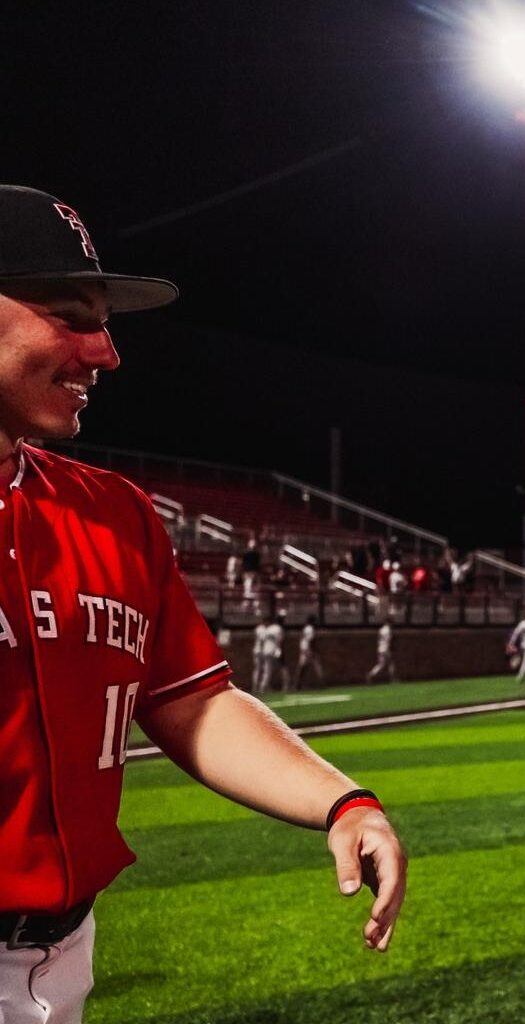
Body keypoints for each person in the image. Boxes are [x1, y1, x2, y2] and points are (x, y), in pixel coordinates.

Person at [0, 183, 406, 1023]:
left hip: (65, 953)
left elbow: (192, 700)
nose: (104, 351)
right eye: (71, 314)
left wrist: (342, 801)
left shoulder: (111, 511)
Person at [251, 612, 284, 695]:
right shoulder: (273, 628)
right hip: (266, 650)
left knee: (258, 669)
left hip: (258, 650)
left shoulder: (260, 628)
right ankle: (262, 688)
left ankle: (256, 687)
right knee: (267, 670)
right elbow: (279, 641)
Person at [294, 614, 324, 690]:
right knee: (316, 665)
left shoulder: (305, 628)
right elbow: (310, 640)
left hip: (304, 649)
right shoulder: (310, 628)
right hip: (308, 649)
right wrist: (312, 650)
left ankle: (298, 684)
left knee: (303, 667)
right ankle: (321, 682)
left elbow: (302, 639)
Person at [367, 617, 397, 683]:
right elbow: (389, 640)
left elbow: (378, 639)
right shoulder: (388, 630)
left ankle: (371, 674)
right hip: (386, 648)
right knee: (391, 663)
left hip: (380, 648)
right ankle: (393, 679)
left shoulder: (381, 629)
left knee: (381, 664)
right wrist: (391, 649)